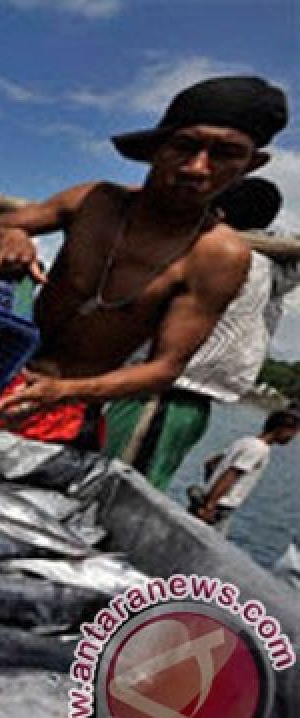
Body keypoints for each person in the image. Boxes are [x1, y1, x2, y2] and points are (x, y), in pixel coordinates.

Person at [0, 75, 288, 450]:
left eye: (226, 153)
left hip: (65, 411)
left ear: (250, 163)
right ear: (156, 148)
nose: (198, 167)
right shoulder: (94, 200)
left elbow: (164, 368)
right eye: (185, 145)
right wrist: (12, 234)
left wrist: (64, 392)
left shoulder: (218, 255)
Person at [105, 178, 290, 488]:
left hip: (160, 394)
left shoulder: (204, 249)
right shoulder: (274, 269)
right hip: (180, 398)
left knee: (111, 476)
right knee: (142, 481)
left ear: (219, 211)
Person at [187, 407, 300, 535]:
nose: (292, 438)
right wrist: (210, 506)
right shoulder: (259, 449)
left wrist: (211, 487)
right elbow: (232, 474)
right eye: (293, 433)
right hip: (218, 508)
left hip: (209, 500)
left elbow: (210, 463)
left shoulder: (245, 441)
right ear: (281, 428)